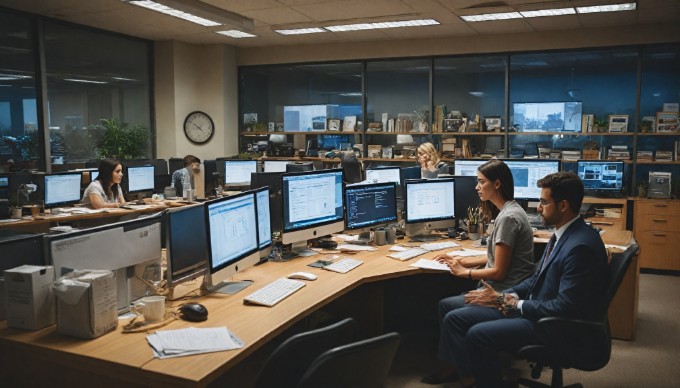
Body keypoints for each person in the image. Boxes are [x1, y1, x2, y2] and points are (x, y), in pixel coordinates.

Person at [435, 171, 608, 387]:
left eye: (544, 202)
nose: (538, 207)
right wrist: (505, 295)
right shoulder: (563, 235)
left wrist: (512, 303)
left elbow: (565, 307)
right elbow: (536, 278)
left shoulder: (579, 246)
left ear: (563, 206)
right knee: (464, 321)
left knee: (478, 334)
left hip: (557, 327)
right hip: (540, 311)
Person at [422, 159, 535, 385]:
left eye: (481, 182)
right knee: (445, 304)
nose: (476, 187)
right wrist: (462, 259)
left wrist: (464, 272)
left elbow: (499, 271)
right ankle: (452, 366)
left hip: (505, 293)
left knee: (452, 314)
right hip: (508, 287)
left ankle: (468, 376)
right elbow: (495, 255)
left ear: (497, 184)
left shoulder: (508, 219)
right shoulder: (510, 210)